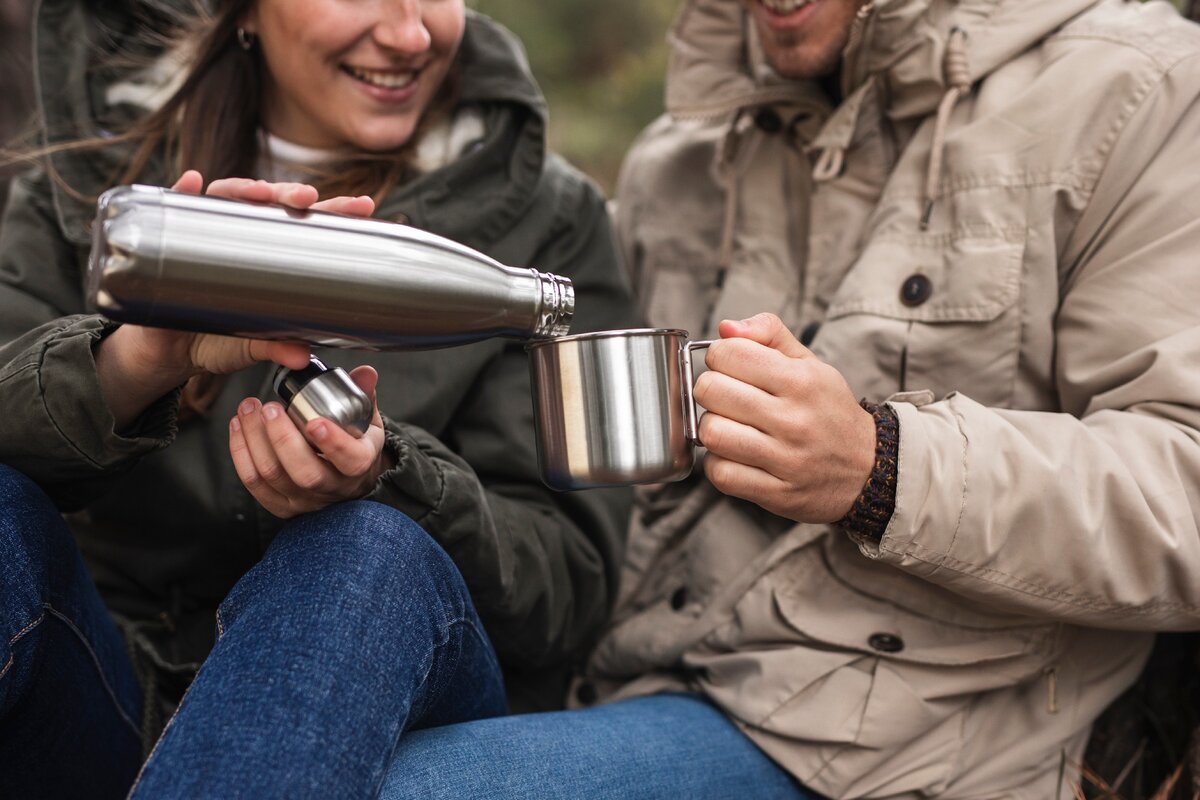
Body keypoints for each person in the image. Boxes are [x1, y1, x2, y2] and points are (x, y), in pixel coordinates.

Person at [376, 0, 1200, 798]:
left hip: (885, 744)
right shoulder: (680, 156)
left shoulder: (1137, 90)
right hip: (620, 675)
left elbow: (1184, 495)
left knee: (400, 787)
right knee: (347, 591)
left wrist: (880, 467)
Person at [0, 0, 633, 796]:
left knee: (364, 551)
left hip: (382, 696)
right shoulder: (97, 180)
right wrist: (138, 359)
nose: (409, 34)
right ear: (247, 13)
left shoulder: (551, 222)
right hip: (103, 685)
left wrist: (387, 477)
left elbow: (568, 586)